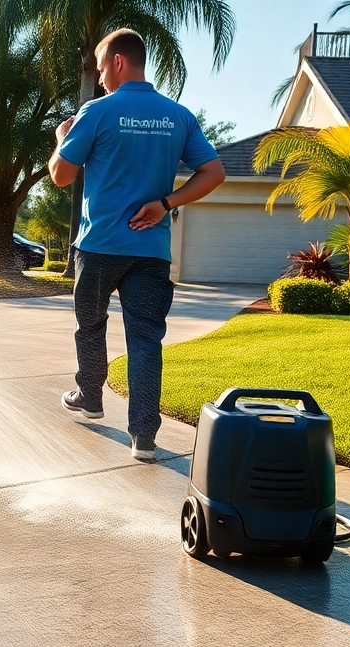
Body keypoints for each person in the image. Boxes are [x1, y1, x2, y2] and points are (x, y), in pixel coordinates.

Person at [46, 28, 227, 461]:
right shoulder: (178, 116)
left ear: (118, 62)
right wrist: (166, 203)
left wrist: (61, 140)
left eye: (101, 66)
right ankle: (144, 437)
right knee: (146, 340)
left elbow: (61, 175)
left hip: (100, 245)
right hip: (150, 250)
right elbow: (214, 172)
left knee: (90, 325)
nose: (100, 76)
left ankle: (90, 398)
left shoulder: (97, 112)